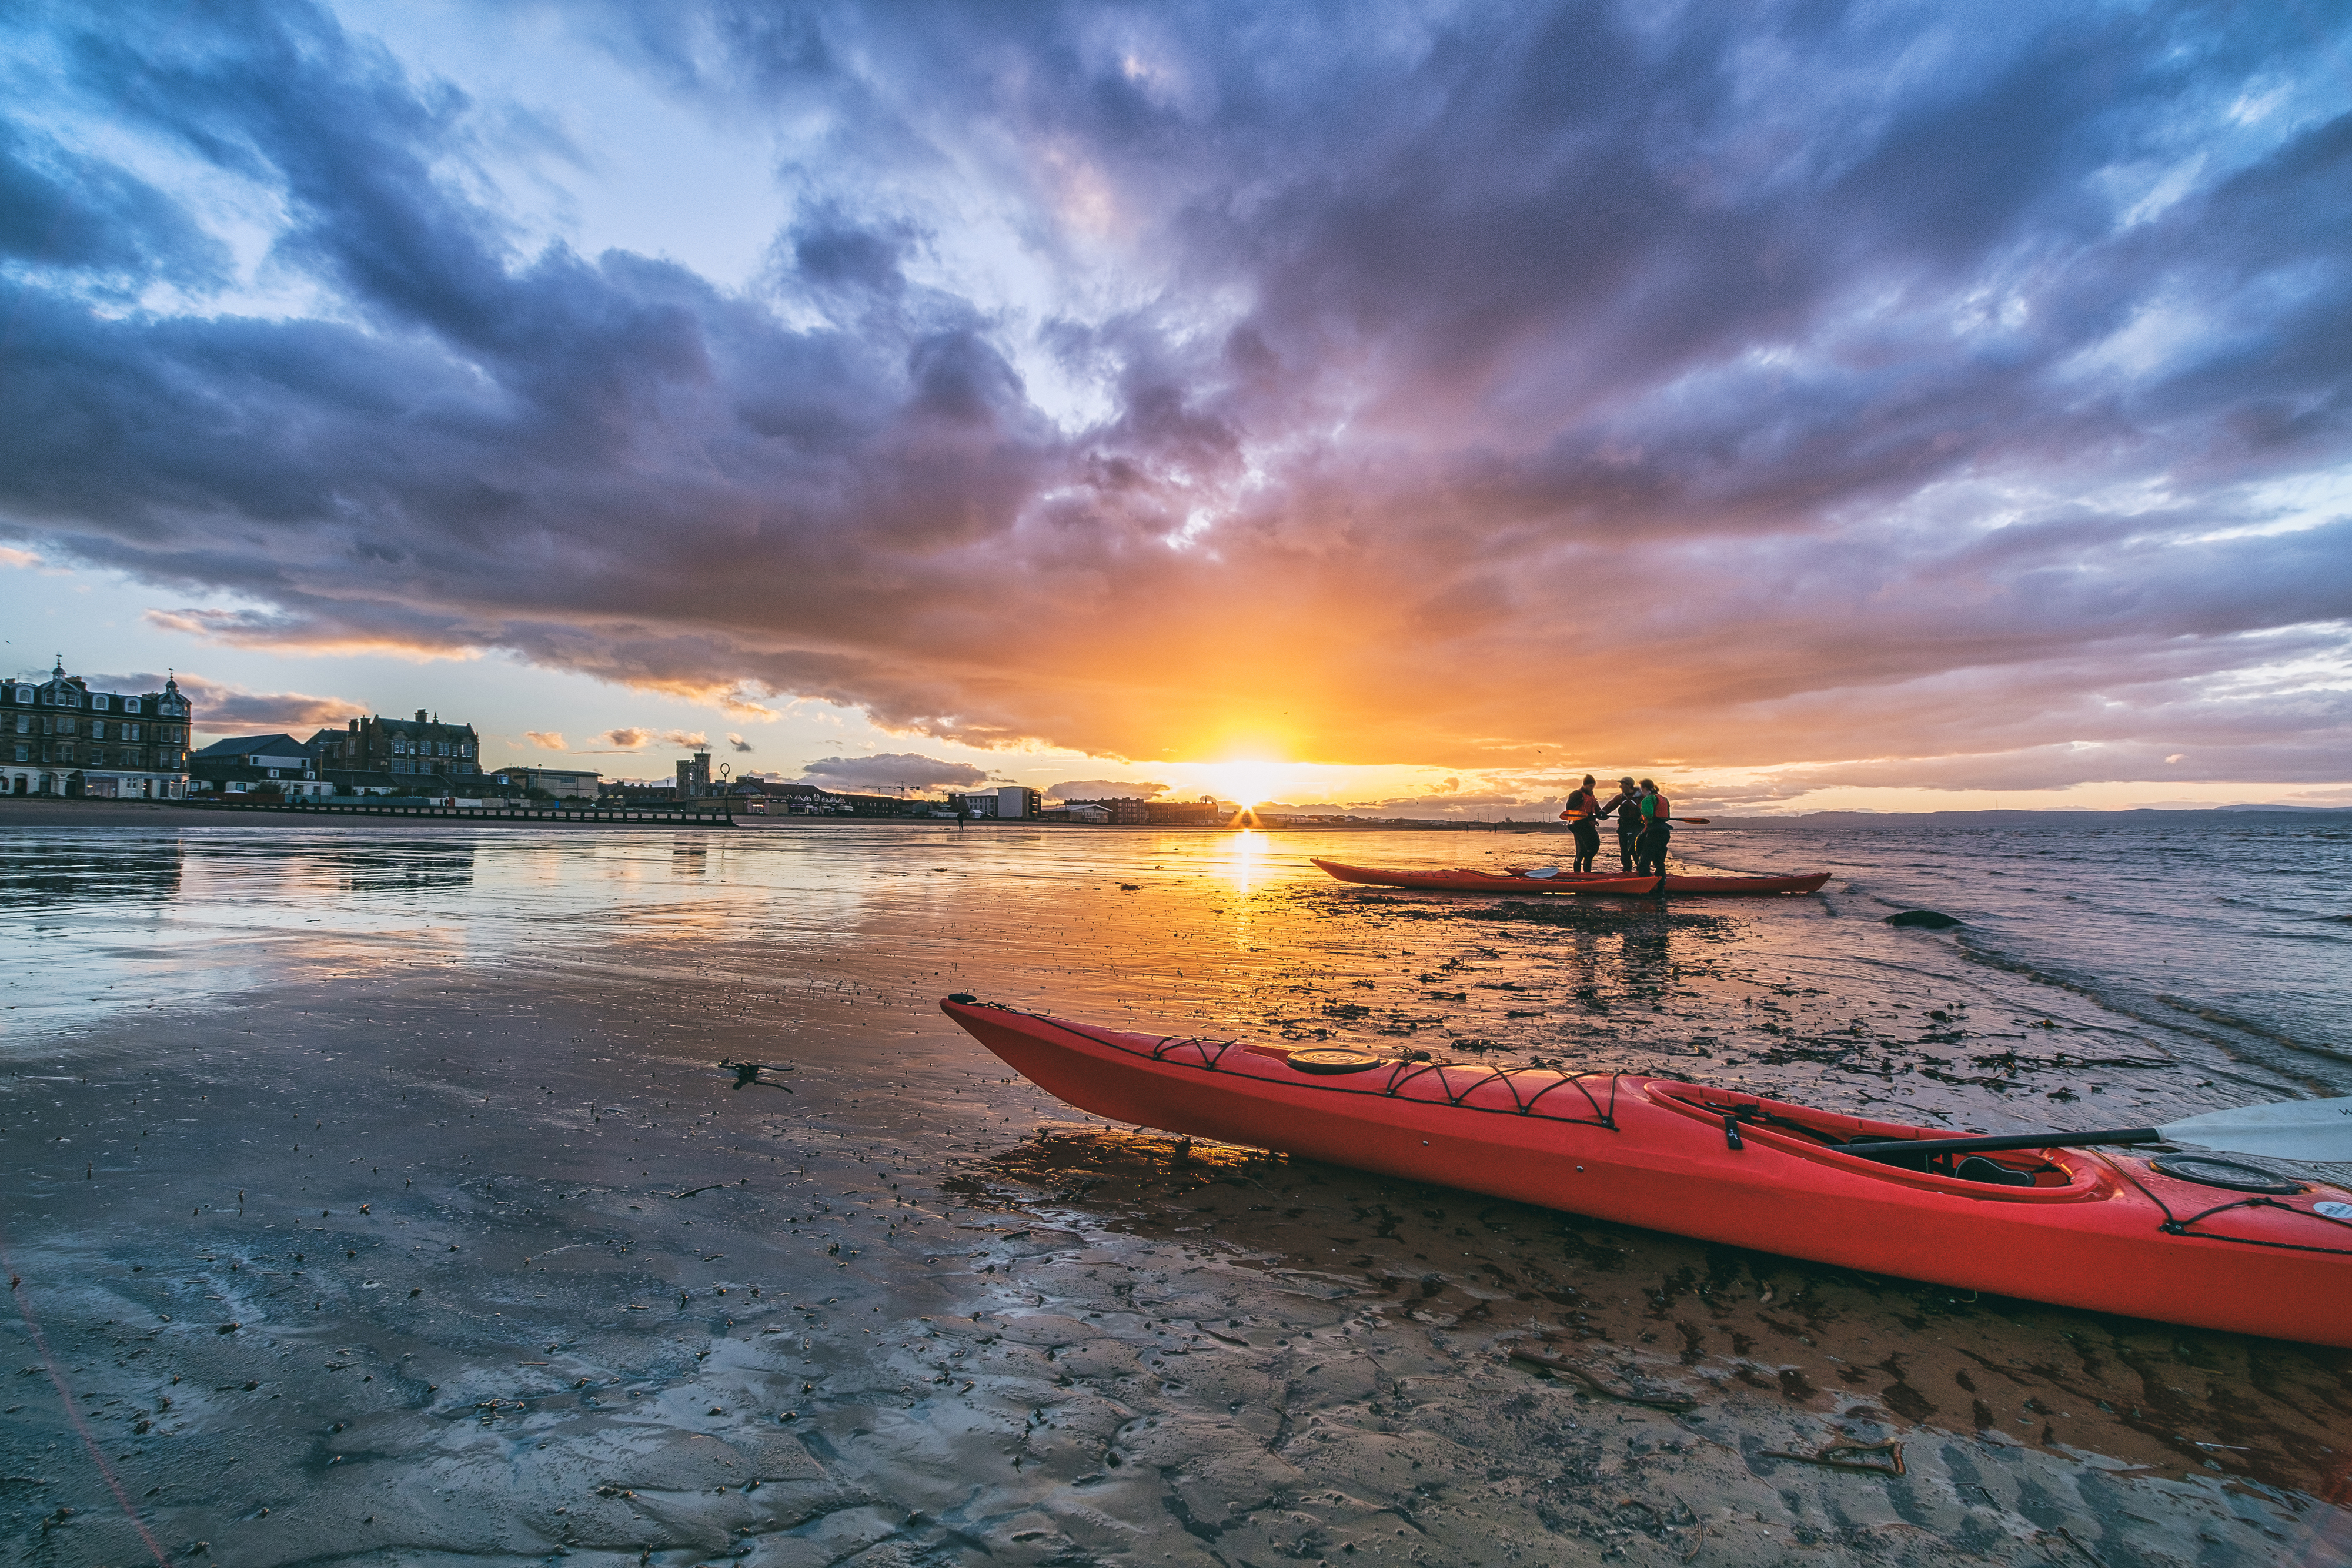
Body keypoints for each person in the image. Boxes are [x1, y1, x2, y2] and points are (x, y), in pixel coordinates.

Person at [1596, 775, 1642, 873]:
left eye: (1623, 784)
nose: (1621, 786)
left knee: (1636, 850)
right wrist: (1603, 812)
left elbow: (1646, 809)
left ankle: (1641, 869)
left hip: (1637, 828)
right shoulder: (1620, 798)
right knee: (1624, 851)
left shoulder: (1641, 798)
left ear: (1629, 785)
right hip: (1623, 827)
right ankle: (1626, 870)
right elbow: (1611, 805)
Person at [1560, 774, 1603, 873]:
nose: (1592, 788)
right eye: (1590, 786)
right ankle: (1578, 874)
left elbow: (1597, 809)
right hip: (1579, 826)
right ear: (1585, 785)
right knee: (1581, 852)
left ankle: (1587, 872)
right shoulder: (1577, 794)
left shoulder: (1592, 796)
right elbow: (1569, 807)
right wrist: (1580, 801)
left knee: (1595, 846)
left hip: (1590, 826)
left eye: (1593, 786)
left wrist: (1602, 814)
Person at [1635, 778, 1673, 877]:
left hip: (1653, 832)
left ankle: (1645, 885)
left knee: (1644, 860)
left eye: (1641, 789)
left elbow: (1648, 814)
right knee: (1659, 861)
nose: (1641, 791)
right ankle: (1661, 887)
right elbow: (1667, 817)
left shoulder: (1648, 799)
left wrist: (1642, 816)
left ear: (1645, 788)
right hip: (1665, 832)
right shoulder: (1664, 799)